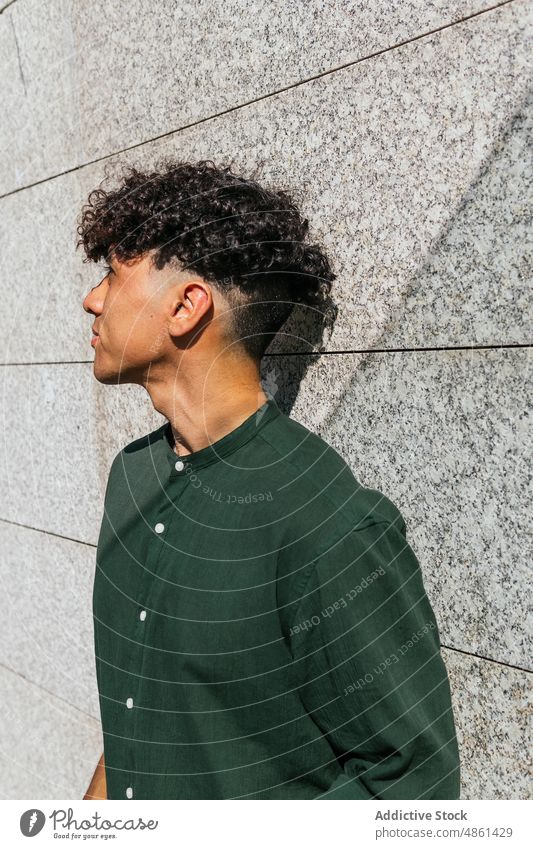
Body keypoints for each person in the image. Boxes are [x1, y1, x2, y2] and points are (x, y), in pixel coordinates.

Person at [79, 159, 460, 800]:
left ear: (186, 305)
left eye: (113, 276)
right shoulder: (131, 477)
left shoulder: (326, 522)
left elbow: (416, 782)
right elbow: (139, 714)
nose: (92, 299)